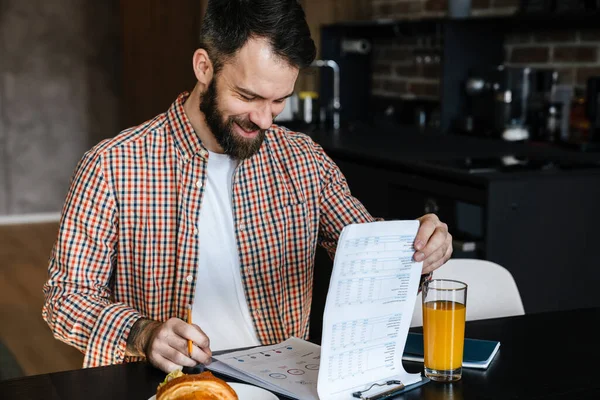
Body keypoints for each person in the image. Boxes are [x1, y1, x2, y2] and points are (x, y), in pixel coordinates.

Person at [42, 0, 453, 373]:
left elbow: (364, 250)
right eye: (248, 96)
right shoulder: (114, 164)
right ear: (204, 67)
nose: (265, 120)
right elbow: (64, 299)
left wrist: (415, 247)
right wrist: (142, 333)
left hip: (281, 383)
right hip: (162, 386)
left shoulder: (302, 159)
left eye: (279, 101)